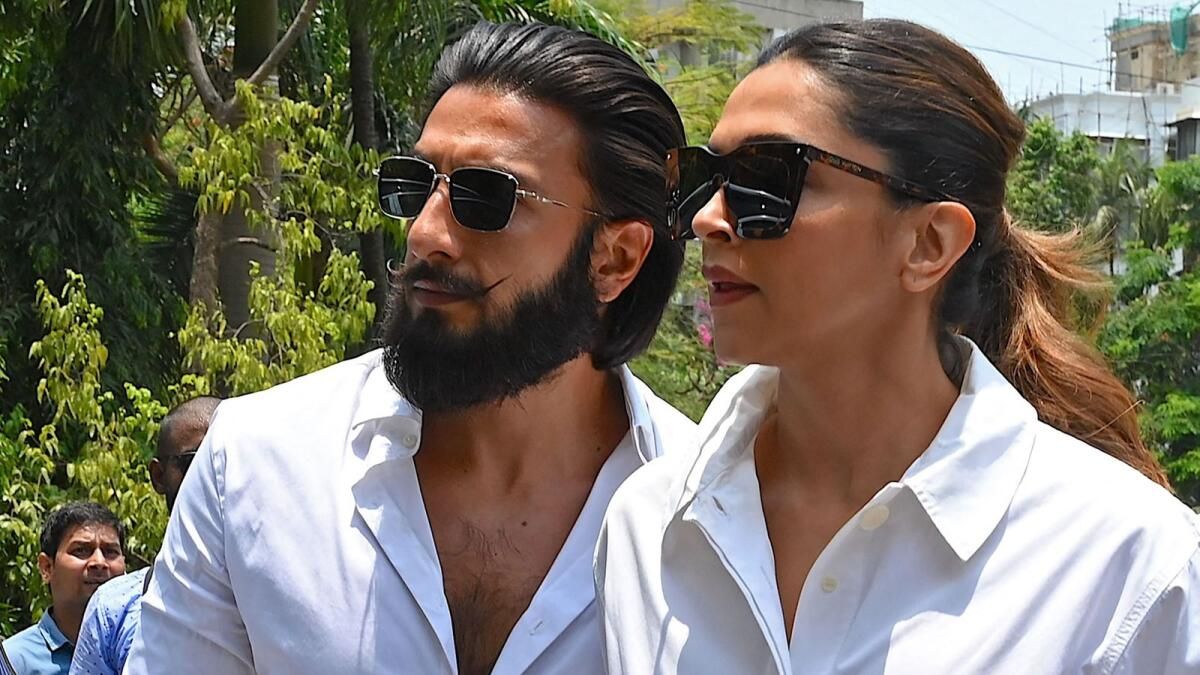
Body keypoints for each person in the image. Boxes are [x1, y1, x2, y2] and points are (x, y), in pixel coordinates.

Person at [596, 18, 1200, 674]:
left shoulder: (1129, 570)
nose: (709, 218)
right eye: (701, 177)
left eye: (766, 179)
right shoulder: (646, 528)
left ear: (929, 243)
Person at [124, 20, 692, 675]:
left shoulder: (709, 513)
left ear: (615, 258)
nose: (424, 234)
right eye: (416, 184)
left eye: (486, 197)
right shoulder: (255, 464)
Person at [68, 397, 220, 675]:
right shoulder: (114, 610)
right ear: (158, 476)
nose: (213, 476)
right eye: (193, 462)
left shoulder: (278, 592)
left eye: (225, 461)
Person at [3, 502, 126, 675]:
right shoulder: (12, 662)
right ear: (47, 568)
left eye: (111, 552)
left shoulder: (144, 646)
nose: (99, 562)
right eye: (81, 550)